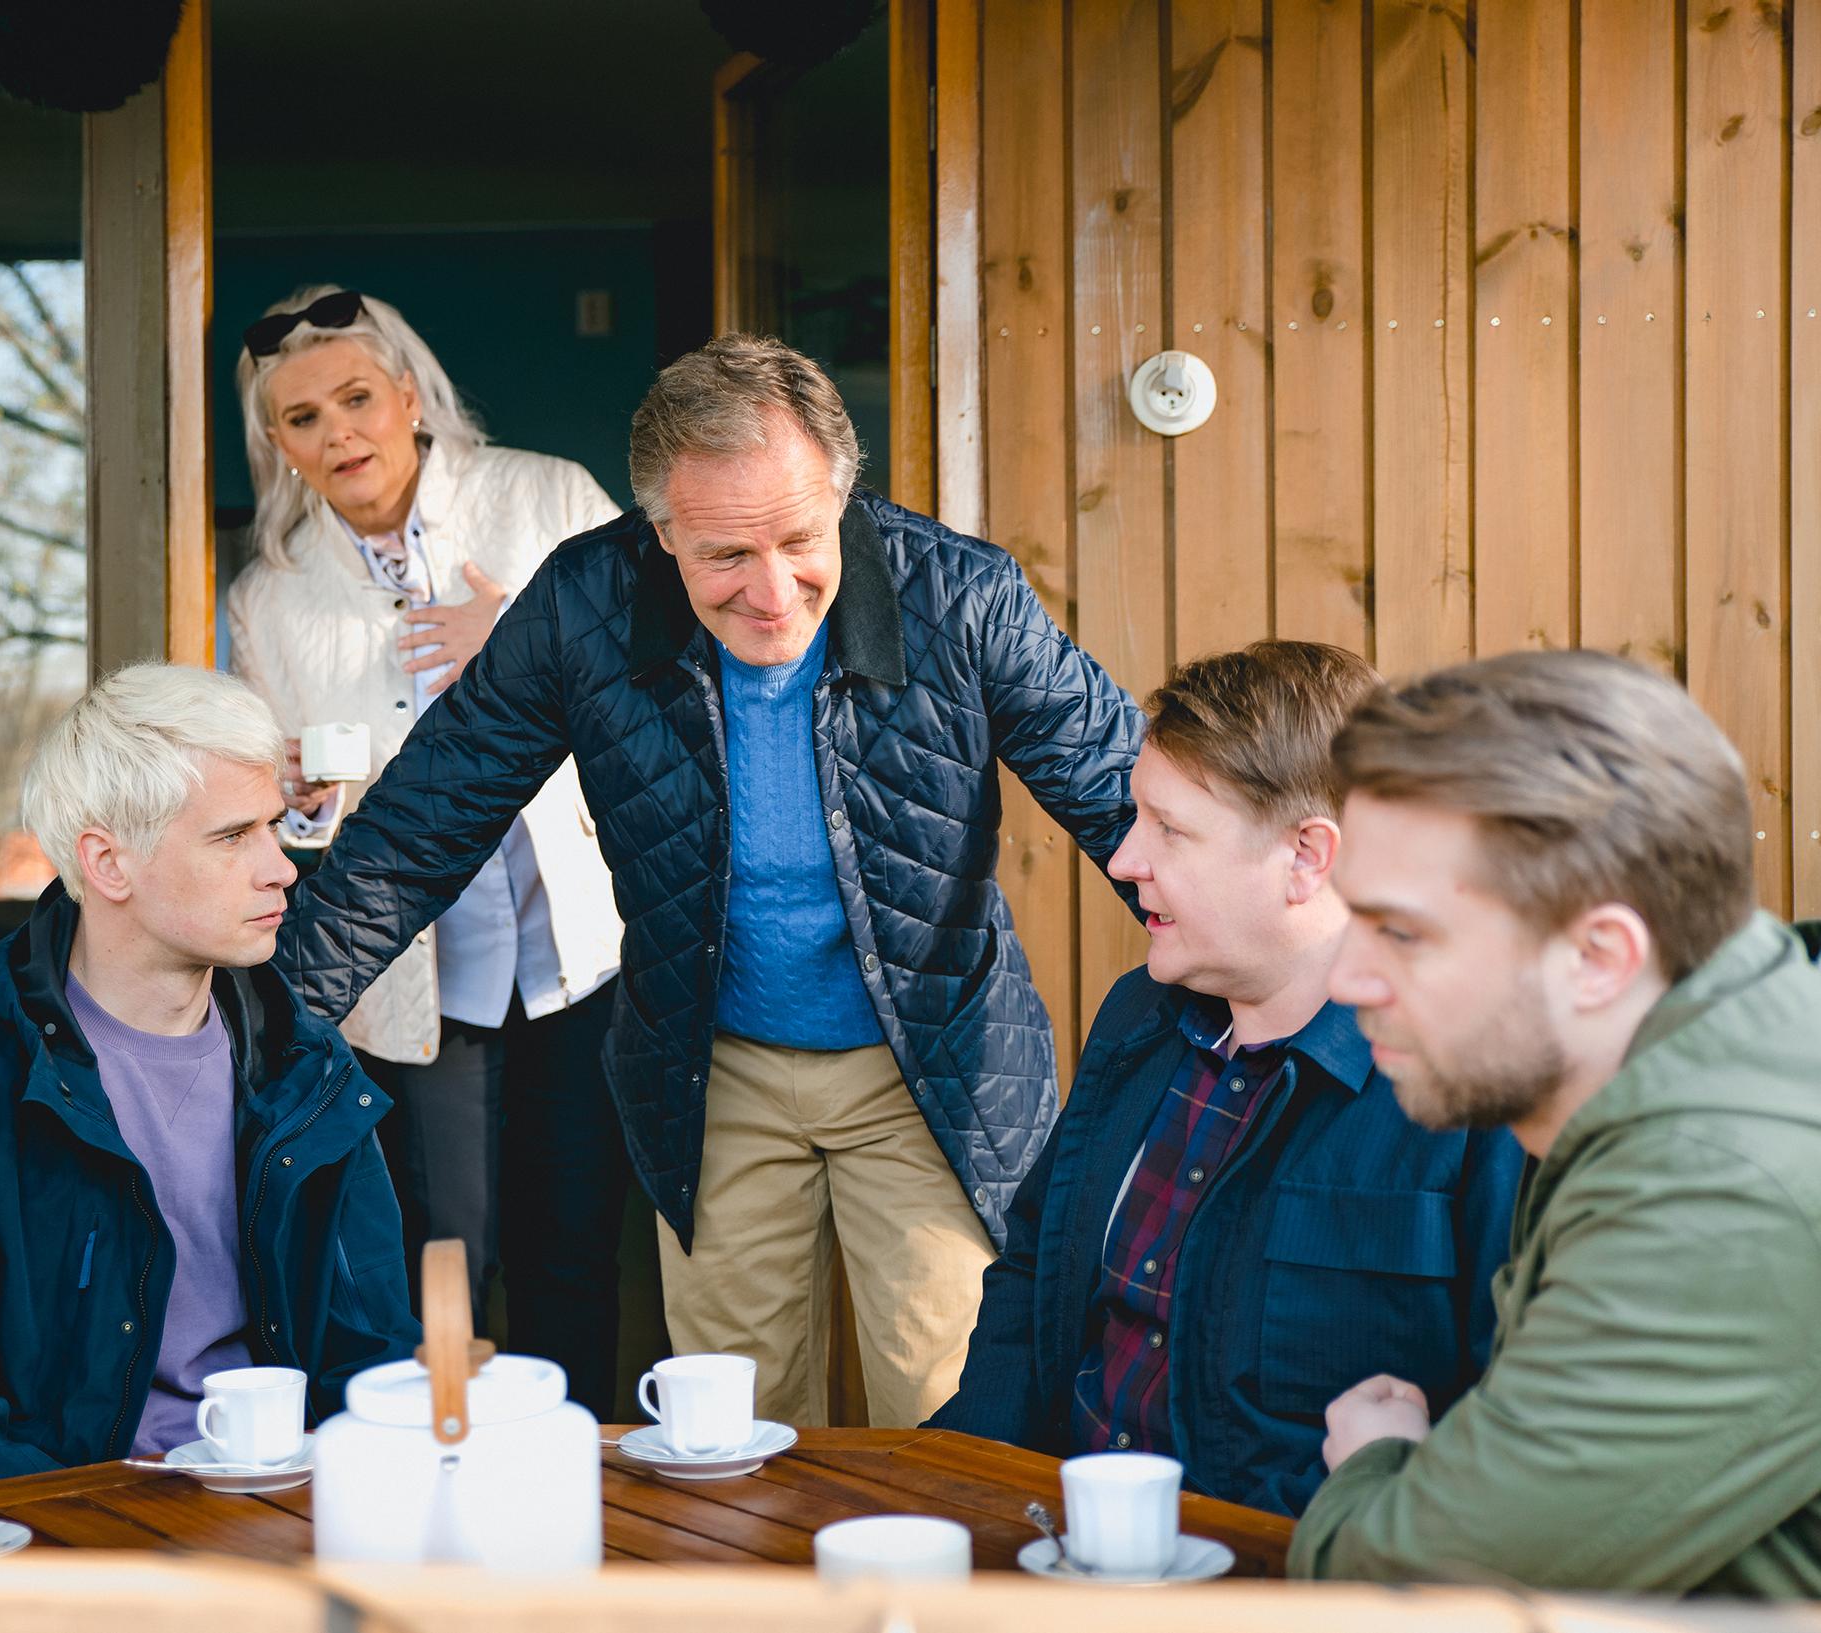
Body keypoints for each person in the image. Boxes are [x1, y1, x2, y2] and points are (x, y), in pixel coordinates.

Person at [279, 333, 1143, 1429]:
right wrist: (268, 1025)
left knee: (947, 1409)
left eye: (799, 538)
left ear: (842, 493)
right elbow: (419, 826)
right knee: (728, 1428)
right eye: (724, 555)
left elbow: (1123, 797)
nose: (772, 591)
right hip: (712, 1066)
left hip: (928, 1064)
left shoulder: (961, 595)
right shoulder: (581, 607)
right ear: (660, 532)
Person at [928, 641, 1522, 1514]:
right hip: (1056, 1546)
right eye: (1137, 816)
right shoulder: (1138, 1017)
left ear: (1307, 858)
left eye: (1169, 829)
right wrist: (959, 1494)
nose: (1126, 859)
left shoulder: (1475, 1086)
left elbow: (1516, 1416)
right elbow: (1030, 1273)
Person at [1288, 650, 1821, 1597]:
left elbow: (1403, 1589)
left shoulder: (1718, 1188)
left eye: (1400, 931)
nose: (1345, 979)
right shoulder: (1648, 1076)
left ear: (1598, 954)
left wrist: (1378, 1465)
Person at [0, 664, 416, 1495]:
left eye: (273, 828)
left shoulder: (306, 1067)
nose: (280, 868)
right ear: (108, 863)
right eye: (232, 836)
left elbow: (374, 1363)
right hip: (47, 1548)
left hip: (283, 1512)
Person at [224, 286, 628, 1410]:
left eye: (357, 397)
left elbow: (664, 664)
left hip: (581, 952)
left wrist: (522, 643)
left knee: (574, 1251)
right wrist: (294, 796)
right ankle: (444, 1487)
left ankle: (579, 1499)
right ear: (278, 446)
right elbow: (275, 796)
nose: (338, 432)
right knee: (444, 1256)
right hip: (413, 974)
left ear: (410, 396)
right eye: (301, 419)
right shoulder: (269, 600)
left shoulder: (546, 497)